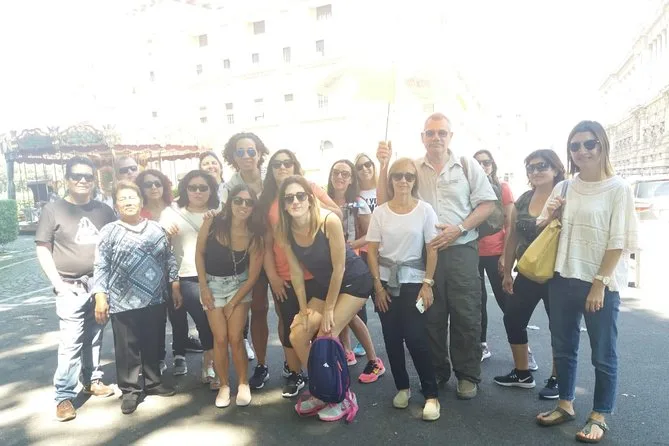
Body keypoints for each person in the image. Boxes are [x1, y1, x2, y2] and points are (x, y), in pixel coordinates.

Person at [376, 112, 497, 400]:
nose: (436, 138)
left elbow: (487, 204)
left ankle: (467, 375)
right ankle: (438, 371)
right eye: (430, 133)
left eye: (442, 132)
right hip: (427, 253)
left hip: (462, 248)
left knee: (466, 313)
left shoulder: (466, 165)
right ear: (423, 137)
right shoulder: (413, 168)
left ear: (450, 136)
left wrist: (459, 228)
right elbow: (385, 201)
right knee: (430, 314)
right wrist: (384, 165)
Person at [535, 121, 638, 444]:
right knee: (563, 347)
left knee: (603, 353)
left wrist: (599, 284)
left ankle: (599, 414)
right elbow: (542, 228)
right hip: (562, 277)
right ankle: (565, 404)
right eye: (575, 146)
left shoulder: (618, 188)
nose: (582, 151)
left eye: (589, 144)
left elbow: (618, 241)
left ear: (602, 145)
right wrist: (553, 215)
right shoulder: (565, 187)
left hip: (598, 283)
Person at [278, 175, 381, 422]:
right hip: (327, 285)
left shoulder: (328, 221)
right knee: (297, 334)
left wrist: (329, 311)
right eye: (289, 198)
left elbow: (339, 268)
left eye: (300, 195)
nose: (295, 201)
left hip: (354, 281)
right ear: (284, 204)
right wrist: (303, 310)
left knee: (326, 336)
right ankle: (322, 390)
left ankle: (343, 397)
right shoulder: (285, 230)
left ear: (310, 198)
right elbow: (296, 273)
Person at [35, 156, 117, 422]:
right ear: (67, 179)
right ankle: (64, 396)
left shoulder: (104, 211)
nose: (83, 180)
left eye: (88, 176)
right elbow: (43, 248)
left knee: (95, 336)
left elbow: (113, 244)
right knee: (71, 342)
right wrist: (58, 284)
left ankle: (92, 379)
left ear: (94, 180)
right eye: (76, 176)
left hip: (100, 284)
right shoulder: (53, 210)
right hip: (70, 285)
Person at [258, 149, 344, 397]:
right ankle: (296, 374)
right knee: (289, 325)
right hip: (285, 275)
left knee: (316, 328)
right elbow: (266, 244)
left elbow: (336, 213)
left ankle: (327, 374)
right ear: (271, 170)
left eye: (287, 162)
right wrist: (273, 276)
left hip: (315, 273)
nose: (282, 167)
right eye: (276, 164)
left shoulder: (310, 189)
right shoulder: (267, 200)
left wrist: (310, 200)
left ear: (295, 166)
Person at [92, 181, 181, 414]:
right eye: (123, 199)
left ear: (141, 202)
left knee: (153, 341)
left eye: (132, 197)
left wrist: (174, 284)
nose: (128, 202)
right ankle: (130, 390)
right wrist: (100, 295)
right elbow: (101, 266)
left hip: (154, 297)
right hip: (123, 299)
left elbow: (168, 258)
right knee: (127, 348)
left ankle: (153, 382)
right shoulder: (109, 232)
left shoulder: (156, 229)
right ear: (116, 204)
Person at [366, 158, 440, 421]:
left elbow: (432, 249)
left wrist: (428, 284)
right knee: (391, 337)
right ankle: (402, 387)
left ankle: (431, 395)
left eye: (409, 176)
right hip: (385, 282)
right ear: (391, 180)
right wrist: (377, 286)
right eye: (398, 175)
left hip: (413, 281)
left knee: (416, 338)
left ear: (415, 180)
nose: (403, 180)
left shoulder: (425, 210)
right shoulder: (380, 212)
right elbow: (372, 250)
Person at [495, 149, 565, 400]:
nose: (535, 171)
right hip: (529, 271)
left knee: (560, 327)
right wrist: (507, 270)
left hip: (559, 274)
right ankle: (522, 373)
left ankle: (559, 379)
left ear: (555, 169)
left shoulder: (567, 196)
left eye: (542, 166)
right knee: (513, 318)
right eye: (531, 167)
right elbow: (513, 235)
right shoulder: (524, 199)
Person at [195, 184, 265, 408]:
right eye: (238, 200)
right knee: (220, 338)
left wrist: (233, 303)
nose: (243, 205)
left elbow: (253, 277)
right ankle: (224, 385)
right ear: (230, 202)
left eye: (249, 202)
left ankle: (243, 383)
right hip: (212, 284)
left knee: (235, 337)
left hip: (239, 286)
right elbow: (199, 253)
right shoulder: (213, 222)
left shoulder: (255, 236)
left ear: (254, 207)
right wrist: (203, 287)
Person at [159, 170, 217, 382]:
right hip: (185, 276)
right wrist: (165, 233)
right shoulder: (171, 213)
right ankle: (208, 363)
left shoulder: (218, 213)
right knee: (203, 319)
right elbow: (161, 249)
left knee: (214, 322)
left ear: (211, 190)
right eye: (193, 187)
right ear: (185, 190)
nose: (198, 192)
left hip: (215, 276)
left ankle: (212, 361)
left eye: (203, 187)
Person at [326, 159, 380, 377]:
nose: (340, 177)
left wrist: (350, 245)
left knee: (351, 313)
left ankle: (373, 360)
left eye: (345, 174)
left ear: (351, 179)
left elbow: (371, 233)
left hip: (351, 264)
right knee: (340, 312)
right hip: (328, 265)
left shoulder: (358, 203)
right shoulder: (323, 200)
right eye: (336, 172)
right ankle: (347, 350)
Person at [221, 132, 270, 367]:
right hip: (249, 255)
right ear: (233, 157)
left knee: (287, 310)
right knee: (258, 309)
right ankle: (261, 364)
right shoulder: (229, 188)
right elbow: (224, 219)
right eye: (240, 152)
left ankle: (294, 366)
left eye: (251, 151)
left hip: (280, 251)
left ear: (259, 154)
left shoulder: (273, 179)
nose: (246, 156)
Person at [473, 149, 514, 362]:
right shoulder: (468, 188)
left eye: (486, 162)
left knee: (506, 299)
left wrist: (506, 256)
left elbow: (510, 223)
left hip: (496, 252)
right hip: (472, 252)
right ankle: (481, 344)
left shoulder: (502, 187)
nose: (482, 166)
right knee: (477, 301)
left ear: (493, 165)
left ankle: (523, 348)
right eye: (478, 162)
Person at [352, 153, 378, 357]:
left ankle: (399, 334)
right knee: (360, 299)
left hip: (387, 251)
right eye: (359, 167)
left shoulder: (384, 188)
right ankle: (362, 342)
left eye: (368, 164)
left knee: (385, 295)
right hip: (363, 251)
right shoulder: (355, 195)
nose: (364, 169)